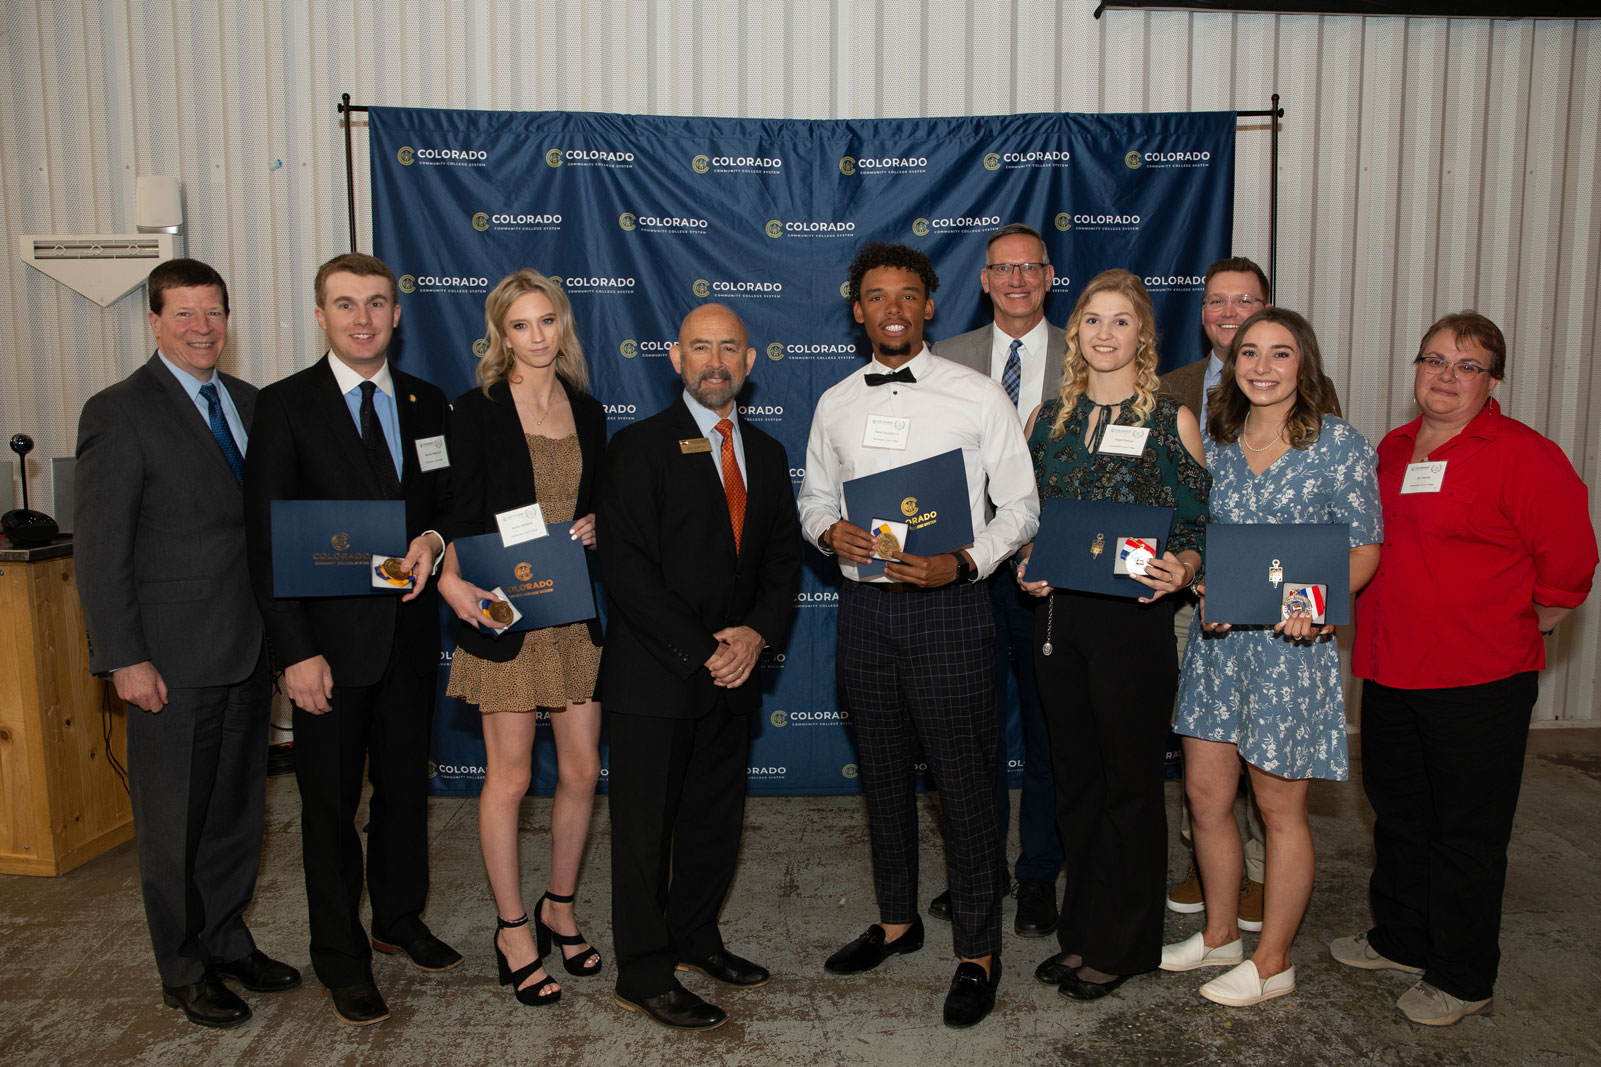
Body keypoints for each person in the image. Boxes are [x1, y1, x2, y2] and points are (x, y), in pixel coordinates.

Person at [802, 242, 1039, 1029]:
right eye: (876, 296)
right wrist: (828, 530)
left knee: (964, 786)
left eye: (908, 294)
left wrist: (963, 562)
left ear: (930, 305)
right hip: (864, 615)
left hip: (950, 611)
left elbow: (1021, 506)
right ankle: (897, 920)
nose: (893, 308)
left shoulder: (975, 396)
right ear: (858, 309)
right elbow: (809, 497)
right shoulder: (834, 400)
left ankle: (977, 950)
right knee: (880, 779)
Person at [1338, 311, 1597, 1025]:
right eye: (1433, 360)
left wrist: (1535, 613)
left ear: (1494, 380)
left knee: (1466, 831)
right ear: (1414, 369)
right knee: (1397, 815)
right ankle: (1400, 935)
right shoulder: (1389, 450)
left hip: (1477, 679)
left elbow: (1570, 558)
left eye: (1466, 364)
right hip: (1390, 668)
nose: (1445, 376)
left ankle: (1460, 973)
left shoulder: (1522, 454)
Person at [74, 258, 299, 1028]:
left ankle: (228, 937)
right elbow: (100, 552)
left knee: (237, 812)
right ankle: (181, 964)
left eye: (213, 313)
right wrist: (123, 656)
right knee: (174, 824)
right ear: (154, 320)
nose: (202, 327)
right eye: (184, 314)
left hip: (245, 648)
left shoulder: (247, 402)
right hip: (167, 660)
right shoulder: (119, 410)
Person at [243, 252, 457, 1027]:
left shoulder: (428, 401)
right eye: (344, 304)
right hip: (326, 652)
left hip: (406, 639)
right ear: (321, 315)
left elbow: (444, 497)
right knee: (329, 808)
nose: (362, 318)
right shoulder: (285, 405)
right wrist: (294, 653)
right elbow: (267, 543)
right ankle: (341, 957)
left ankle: (397, 920)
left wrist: (432, 536)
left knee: (403, 792)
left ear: (397, 314)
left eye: (375, 303)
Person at [1160, 308, 1381, 1007]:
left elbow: (1364, 549)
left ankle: (1272, 958)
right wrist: (1199, 580)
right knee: (1205, 796)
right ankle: (1221, 933)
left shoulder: (1337, 443)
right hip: (1217, 643)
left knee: (1278, 809)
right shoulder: (1215, 442)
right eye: (1248, 352)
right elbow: (1201, 539)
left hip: (1292, 650)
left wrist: (1314, 603)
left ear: (1302, 364)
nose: (1260, 365)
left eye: (1279, 353)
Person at [597, 303, 802, 1032]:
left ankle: (696, 935)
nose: (714, 360)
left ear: (749, 363)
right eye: (699, 347)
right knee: (645, 831)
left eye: (728, 348)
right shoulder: (637, 447)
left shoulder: (771, 454)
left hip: (736, 673)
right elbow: (627, 569)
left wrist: (753, 636)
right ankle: (643, 970)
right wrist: (703, 648)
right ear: (676, 360)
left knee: (714, 819)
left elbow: (782, 563)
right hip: (657, 676)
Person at [1017, 268, 1208, 1001]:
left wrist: (1185, 564)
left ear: (1143, 334)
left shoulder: (1169, 417)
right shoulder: (1045, 421)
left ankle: (1125, 944)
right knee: (1076, 782)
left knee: (1129, 785)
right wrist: (1025, 568)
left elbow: (1198, 518)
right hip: (1058, 619)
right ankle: (1080, 932)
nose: (1103, 333)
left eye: (1119, 320)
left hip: (1134, 621)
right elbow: (1028, 521)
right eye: (1091, 319)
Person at [434, 270, 606, 1006]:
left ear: (561, 326)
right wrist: (450, 576)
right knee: (507, 778)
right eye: (521, 325)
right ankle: (512, 928)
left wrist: (600, 524)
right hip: (504, 613)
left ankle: (557, 906)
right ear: (499, 334)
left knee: (579, 770)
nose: (537, 337)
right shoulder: (472, 412)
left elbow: (597, 503)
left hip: (571, 612)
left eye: (547, 322)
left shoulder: (590, 410)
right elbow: (454, 512)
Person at [932, 223, 1066, 937]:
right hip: (965, 576)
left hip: (1050, 575)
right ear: (982, 280)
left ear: (1049, 277)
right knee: (968, 735)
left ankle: (1040, 870)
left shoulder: (1089, 355)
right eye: (1002, 269)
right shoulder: (947, 360)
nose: (1016, 280)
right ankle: (978, 869)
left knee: (1049, 734)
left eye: (1030, 268)